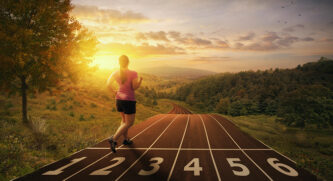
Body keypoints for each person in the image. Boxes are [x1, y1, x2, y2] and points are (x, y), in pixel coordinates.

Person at [106, 55, 143, 153]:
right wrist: (140, 81)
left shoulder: (115, 73)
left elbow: (108, 84)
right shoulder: (133, 73)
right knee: (129, 122)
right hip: (128, 100)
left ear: (119, 62)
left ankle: (126, 140)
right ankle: (114, 139)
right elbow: (134, 87)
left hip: (119, 99)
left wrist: (114, 91)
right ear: (128, 62)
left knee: (124, 121)